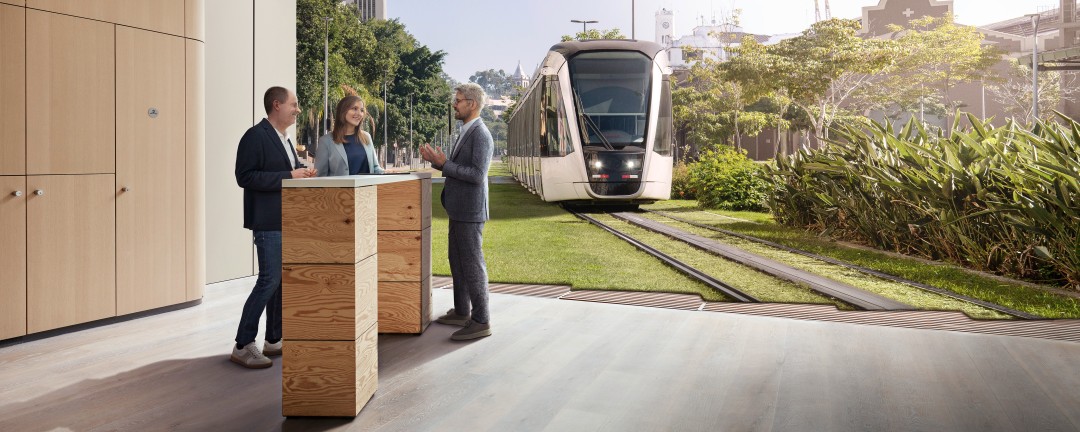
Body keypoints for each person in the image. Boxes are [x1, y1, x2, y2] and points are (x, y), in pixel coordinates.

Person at [231, 86, 317, 368]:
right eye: (294, 105)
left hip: (286, 219)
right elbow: (245, 176)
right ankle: (243, 344)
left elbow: (285, 172)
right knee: (269, 279)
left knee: (279, 281)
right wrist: (288, 174)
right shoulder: (255, 136)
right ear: (277, 105)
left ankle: (274, 339)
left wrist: (302, 172)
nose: (298, 109)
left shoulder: (284, 139)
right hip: (268, 221)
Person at [420, 83, 494, 341]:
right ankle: (463, 311)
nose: (455, 104)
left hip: (470, 211)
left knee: (473, 265)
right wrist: (441, 163)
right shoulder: (466, 131)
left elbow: (477, 175)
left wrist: (444, 165)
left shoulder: (481, 134)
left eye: (459, 100)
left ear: (472, 104)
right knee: (457, 261)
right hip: (458, 208)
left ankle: (481, 320)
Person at [314, 95, 385, 176]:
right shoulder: (326, 141)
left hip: (367, 188)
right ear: (343, 111)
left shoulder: (366, 137)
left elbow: (375, 168)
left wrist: (387, 173)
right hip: (339, 188)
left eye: (362, 110)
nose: (359, 114)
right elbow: (320, 176)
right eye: (354, 109)